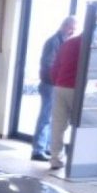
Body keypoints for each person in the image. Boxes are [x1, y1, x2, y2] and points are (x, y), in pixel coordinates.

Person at [32, 16, 76, 161]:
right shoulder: (54, 42)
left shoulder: (63, 42)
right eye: (71, 28)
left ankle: (48, 148)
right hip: (49, 85)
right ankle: (38, 150)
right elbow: (48, 64)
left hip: (54, 84)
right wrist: (56, 80)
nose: (72, 32)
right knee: (46, 117)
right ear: (65, 26)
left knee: (53, 119)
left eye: (74, 29)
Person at [49, 33, 83, 170]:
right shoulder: (91, 45)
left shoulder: (68, 43)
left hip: (60, 86)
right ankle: (78, 160)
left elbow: (55, 66)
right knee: (80, 125)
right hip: (79, 89)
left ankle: (55, 159)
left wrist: (57, 82)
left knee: (58, 125)